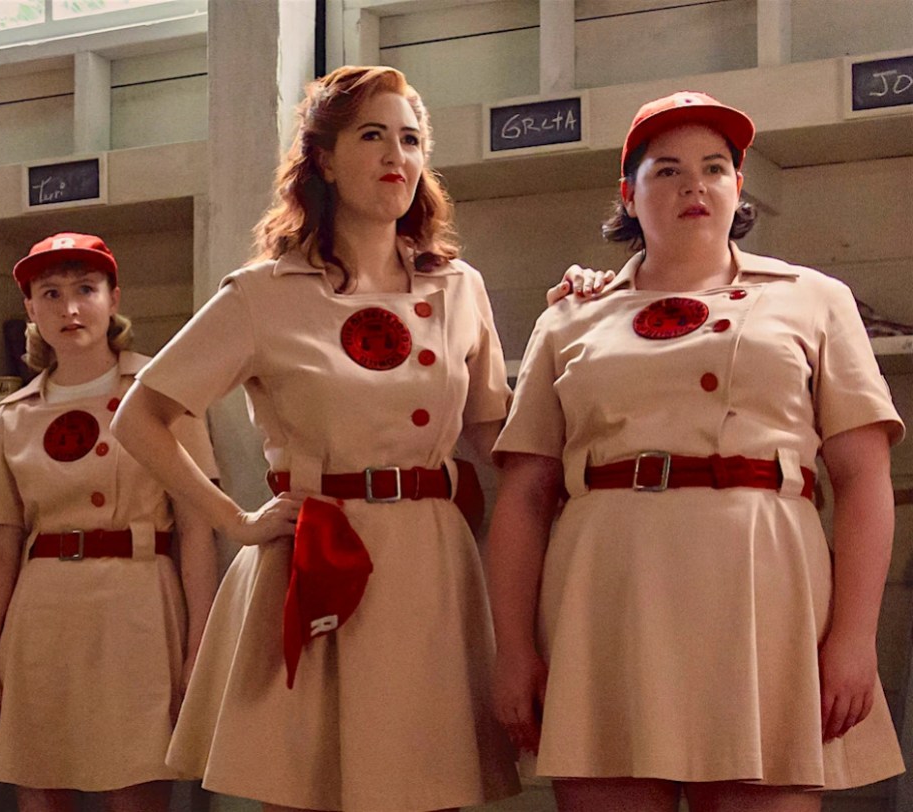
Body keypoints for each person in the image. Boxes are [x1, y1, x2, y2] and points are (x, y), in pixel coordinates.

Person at [111, 65, 521, 812]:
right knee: (306, 788)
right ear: (323, 160)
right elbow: (138, 417)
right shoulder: (263, 294)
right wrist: (235, 520)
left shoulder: (460, 288)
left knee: (429, 787)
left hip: (431, 564)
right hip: (317, 557)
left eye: (411, 138)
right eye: (372, 135)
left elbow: (498, 437)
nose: (396, 154)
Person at [488, 91, 906, 812]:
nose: (694, 185)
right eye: (668, 170)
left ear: (739, 187)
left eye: (715, 168)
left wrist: (854, 637)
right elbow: (524, 499)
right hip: (607, 597)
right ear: (629, 193)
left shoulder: (814, 298)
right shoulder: (569, 316)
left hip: (764, 595)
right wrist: (512, 649)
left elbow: (864, 478)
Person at [0, 233, 218, 812]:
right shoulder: (12, 418)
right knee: (41, 791)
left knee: (136, 789)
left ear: (113, 297)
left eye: (85, 289)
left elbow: (199, 531)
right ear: (30, 309)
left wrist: (199, 653)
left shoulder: (161, 393)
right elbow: (1, 550)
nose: (70, 308)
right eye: (50, 293)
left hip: (139, 610)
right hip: (42, 614)